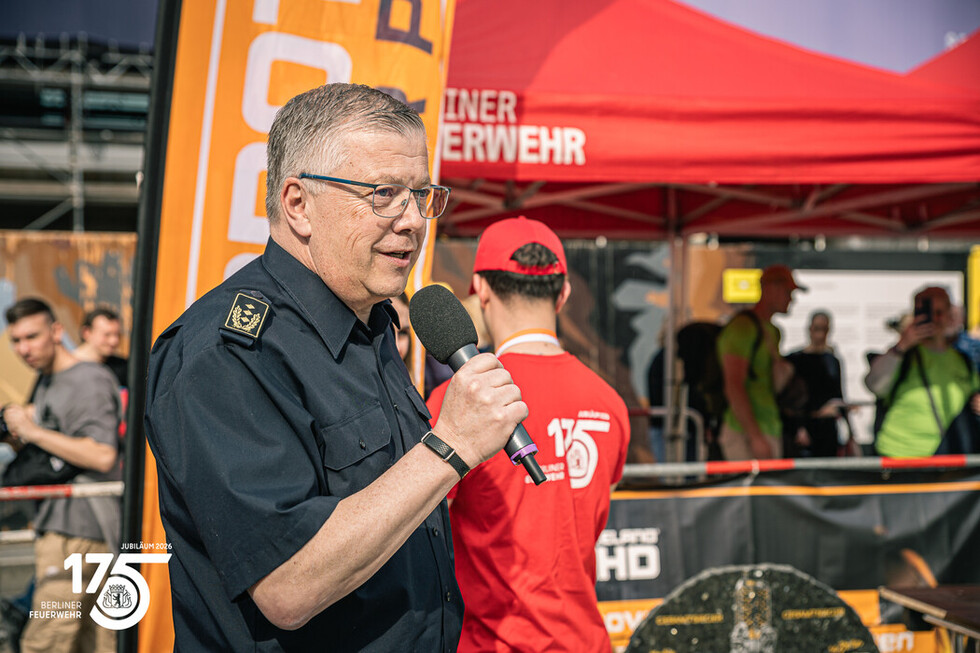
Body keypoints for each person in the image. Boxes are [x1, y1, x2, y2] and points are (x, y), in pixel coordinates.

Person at [143, 83, 527, 651]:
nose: (412, 220)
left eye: (420, 194)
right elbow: (287, 584)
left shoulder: (370, 324)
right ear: (297, 204)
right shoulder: (225, 352)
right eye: (383, 193)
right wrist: (451, 446)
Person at [425, 216, 630, 653]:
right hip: (587, 642)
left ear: (479, 289)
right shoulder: (611, 404)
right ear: (565, 293)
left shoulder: (454, 402)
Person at [3, 297, 121, 653]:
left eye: (32, 337)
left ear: (57, 331)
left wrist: (34, 431)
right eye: (16, 340)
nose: (24, 349)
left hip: (79, 533)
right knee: (96, 642)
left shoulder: (88, 379)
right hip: (65, 525)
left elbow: (102, 455)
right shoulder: (48, 381)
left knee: (46, 641)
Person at [865, 286, 980, 457]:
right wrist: (902, 345)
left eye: (939, 312)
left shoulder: (962, 360)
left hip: (948, 456)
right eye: (925, 311)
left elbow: (974, 396)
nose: (933, 318)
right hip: (899, 456)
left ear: (950, 315)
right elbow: (875, 385)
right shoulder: (902, 355)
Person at [716, 264, 805, 460]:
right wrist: (755, 437)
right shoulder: (742, 328)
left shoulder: (773, 331)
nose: (791, 299)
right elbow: (733, 385)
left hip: (769, 426)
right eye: (788, 292)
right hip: (745, 432)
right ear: (771, 288)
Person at [783, 310, 849, 457]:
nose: (820, 334)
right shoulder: (796, 359)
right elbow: (790, 399)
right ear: (809, 329)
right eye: (816, 329)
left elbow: (839, 394)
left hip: (827, 430)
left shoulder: (832, 360)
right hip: (804, 429)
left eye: (824, 329)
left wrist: (851, 434)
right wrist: (798, 427)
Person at [73, 307, 127, 387]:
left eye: (117, 335)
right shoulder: (70, 366)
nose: (114, 341)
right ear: (86, 333)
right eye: (107, 335)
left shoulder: (123, 368)